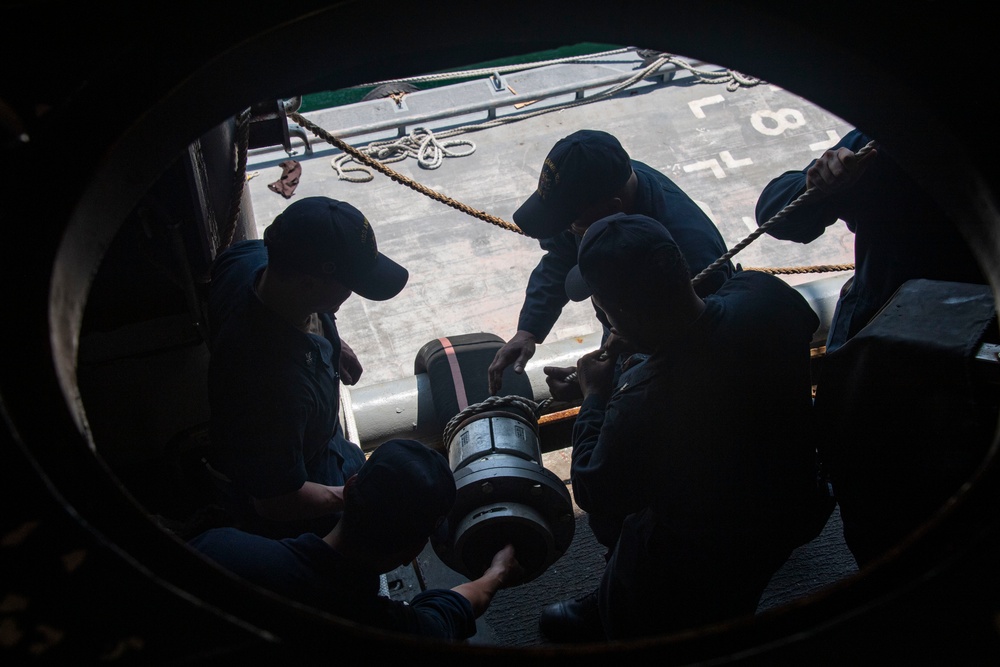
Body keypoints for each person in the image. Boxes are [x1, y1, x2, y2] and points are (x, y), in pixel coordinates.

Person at [538, 213, 831, 642]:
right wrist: (638, 344)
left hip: (698, 553)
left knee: (657, 616)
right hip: (790, 506)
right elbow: (718, 330)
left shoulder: (643, 401)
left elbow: (593, 486)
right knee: (736, 599)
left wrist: (596, 396)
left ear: (609, 309)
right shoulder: (766, 293)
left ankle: (622, 611)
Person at [204, 196, 409, 539]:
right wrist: (356, 496)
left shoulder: (248, 259)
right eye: (348, 286)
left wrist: (330, 342)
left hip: (327, 448)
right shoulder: (271, 389)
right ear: (308, 284)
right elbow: (275, 501)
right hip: (307, 493)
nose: (351, 295)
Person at [189, 438, 525, 641]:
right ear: (414, 551)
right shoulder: (398, 634)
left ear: (349, 489)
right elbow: (450, 610)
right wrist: (495, 573)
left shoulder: (219, 549)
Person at [487, 129, 735, 397]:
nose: (567, 228)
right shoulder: (603, 182)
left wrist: (602, 388)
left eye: (571, 223)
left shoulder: (694, 261)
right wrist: (529, 330)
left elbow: (679, 363)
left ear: (612, 209)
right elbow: (562, 255)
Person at [754, 128, 986, 354]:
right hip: (903, 337)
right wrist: (814, 184)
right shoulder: (889, 145)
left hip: (882, 336)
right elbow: (775, 214)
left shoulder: (897, 141)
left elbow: (772, 213)